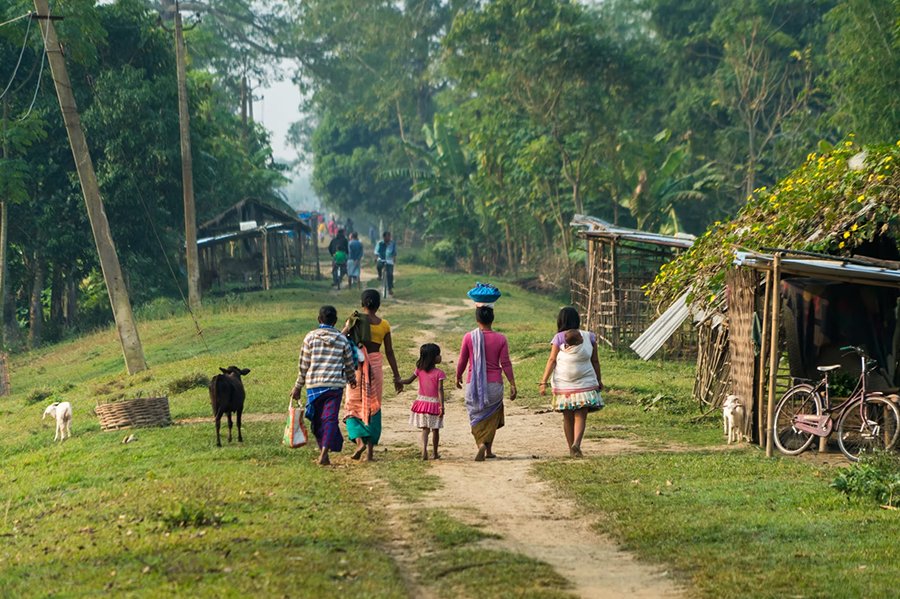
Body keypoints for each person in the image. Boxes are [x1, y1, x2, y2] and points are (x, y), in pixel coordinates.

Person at [291, 305, 358, 466]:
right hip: (335, 387)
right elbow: (349, 363)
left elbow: (303, 366)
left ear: (319, 320)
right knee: (330, 419)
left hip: (314, 386)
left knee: (316, 419)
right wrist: (351, 379)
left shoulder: (310, 338)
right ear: (335, 322)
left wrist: (297, 386)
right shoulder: (342, 340)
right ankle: (324, 452)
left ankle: (323, 452)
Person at [341, 289, 403, 461]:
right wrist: (397, 377)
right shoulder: (384, 325)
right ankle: (369, 453)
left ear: (362, 304)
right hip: (375, 367)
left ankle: (359, 441)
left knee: (353, 403)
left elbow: (340, 338)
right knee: (373, 405)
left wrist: (349, 324)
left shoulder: (355, 320)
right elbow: (389, 352)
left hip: (357, 366)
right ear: (378, 305)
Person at [539, 306, 604, 458]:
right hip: (585, 381)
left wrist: (543, 382)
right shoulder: (590, 337)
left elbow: (552, 360)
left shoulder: (559, 338)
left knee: (567, 416)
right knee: (581, 415)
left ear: (560, 321)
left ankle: (571, 448)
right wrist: (599, 379)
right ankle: (577, 444)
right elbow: (595, 361)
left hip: (564, 383)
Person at [456, 305, 517, 461]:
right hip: (494, 385)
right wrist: (512, 383)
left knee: (476, 415)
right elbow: (506, 363)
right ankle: (488, 449)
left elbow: (463, 360)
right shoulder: (501, 339)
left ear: (477, 319)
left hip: (474, 385)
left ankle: (480, 445)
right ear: (492, 319)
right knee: (491, 417)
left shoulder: (469, 337)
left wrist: (458, 376)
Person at [399, 343, 446, 460]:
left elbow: (409, 381)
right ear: (433, 358)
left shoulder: (419, 370)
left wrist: (399, 381)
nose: (440, 357)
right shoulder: (439, 373)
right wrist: (442, 407)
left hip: (422, 403)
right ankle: (435, 453)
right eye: (438, 355)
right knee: (435, 430)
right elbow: (440, 390)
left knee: (425, 429)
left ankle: (424, 450)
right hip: (434, 404)